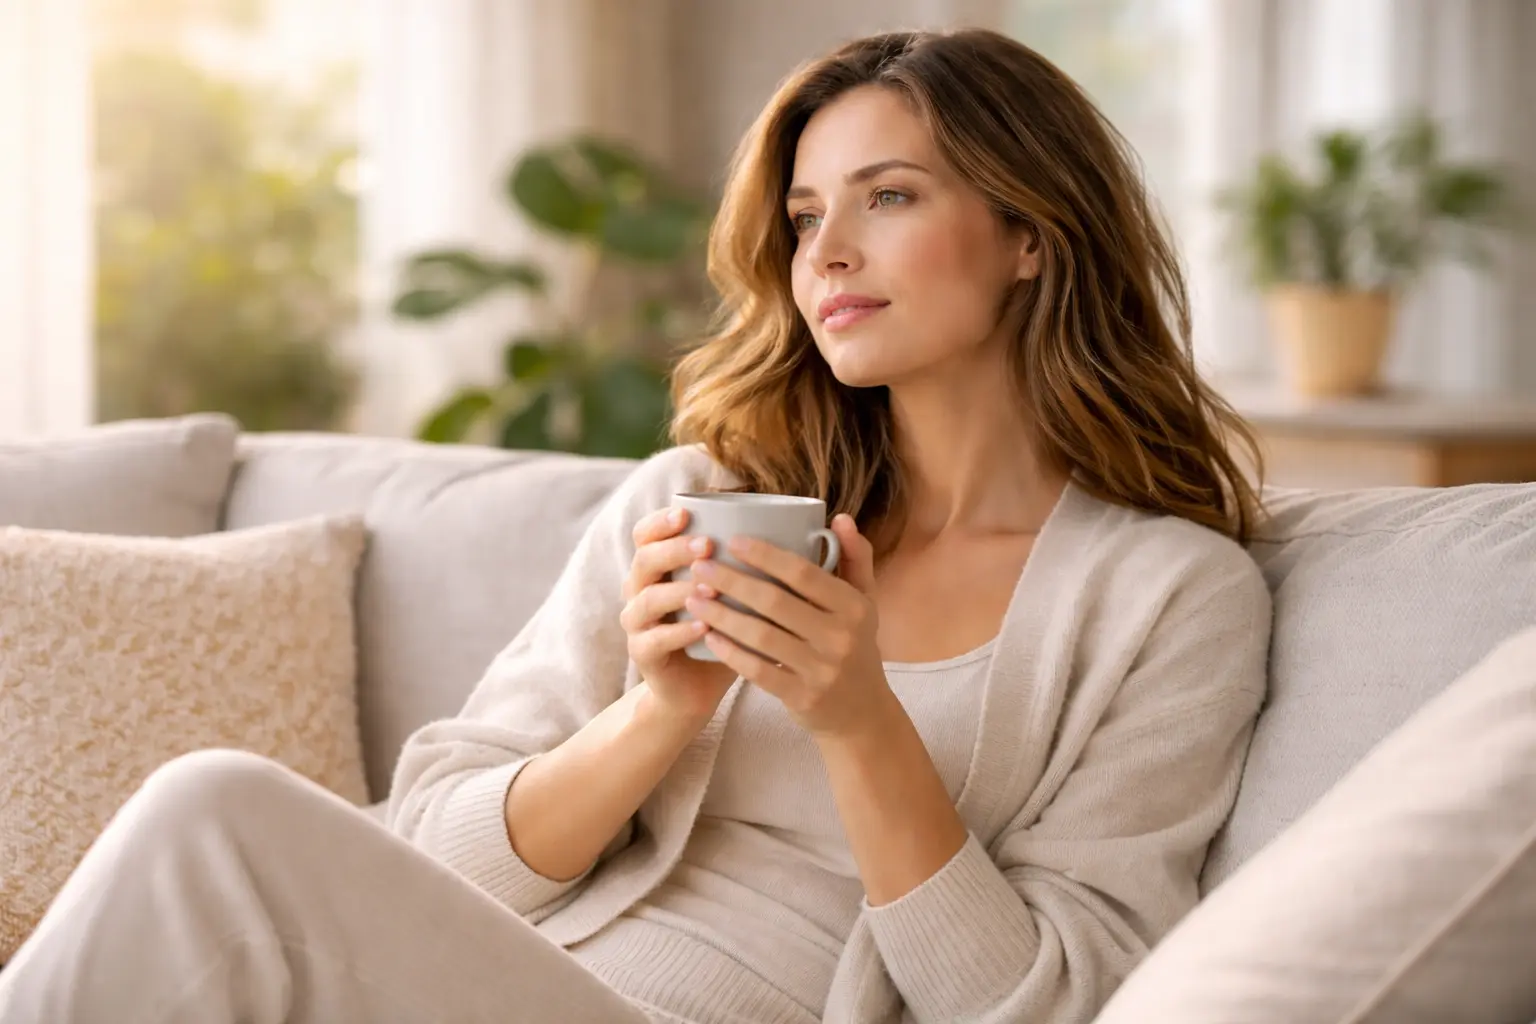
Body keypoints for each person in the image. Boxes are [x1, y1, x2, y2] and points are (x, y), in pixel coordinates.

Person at [0, 27, 1272, 1024]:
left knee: (215, 812)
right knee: (215, 830)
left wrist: (858, 719)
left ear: (1031, 238)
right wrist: (658, 710)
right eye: (806, 216)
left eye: (887, 197)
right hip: (495, 981)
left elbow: (1059, 1002)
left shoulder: (1169, 598)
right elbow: (429, 849)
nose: (826, 253)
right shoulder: (697, 502)